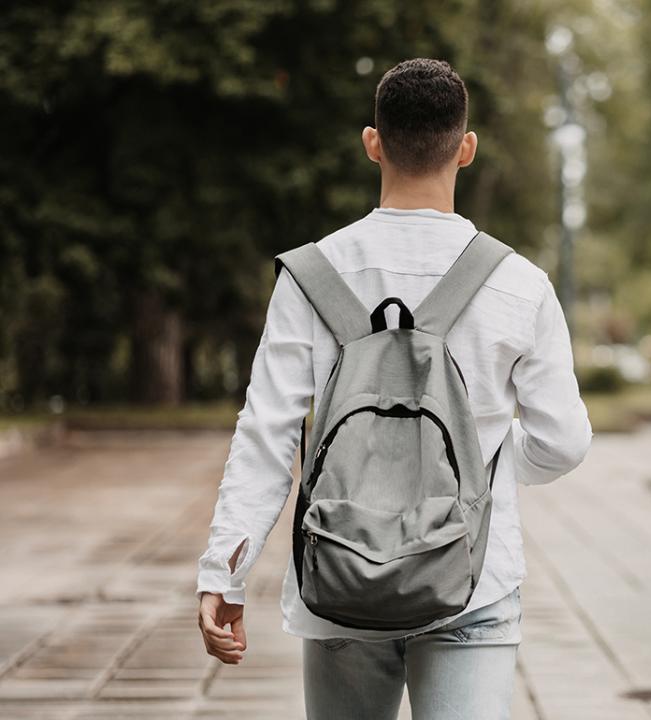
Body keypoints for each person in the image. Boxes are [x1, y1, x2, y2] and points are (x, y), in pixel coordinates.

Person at [195, 57, 593, 719]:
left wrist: (224, 572)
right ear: (466, 149)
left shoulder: (309, 277)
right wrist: (482, 459)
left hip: (340, 584)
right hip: (473, 581)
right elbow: (564, 443)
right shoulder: (519, 283)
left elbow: (266, 436)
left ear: (372, 142)